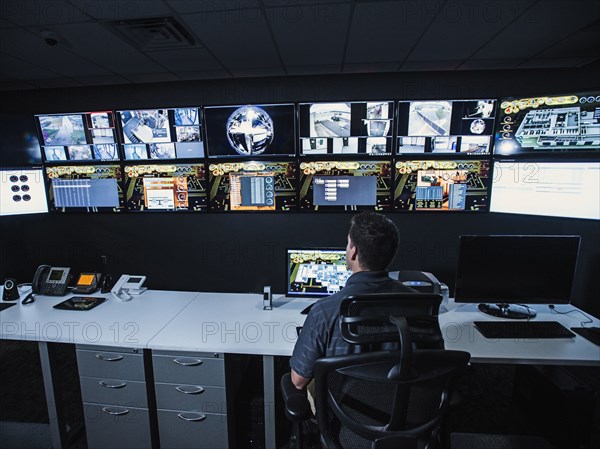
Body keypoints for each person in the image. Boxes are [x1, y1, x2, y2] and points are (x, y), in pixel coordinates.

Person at [290, 211, 414, 391]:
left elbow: (298, 380)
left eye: (348, 244)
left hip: (346, 412)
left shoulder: (324, 311)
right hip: (407, 409)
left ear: (353, 252)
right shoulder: (421, 304)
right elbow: (434, 364)